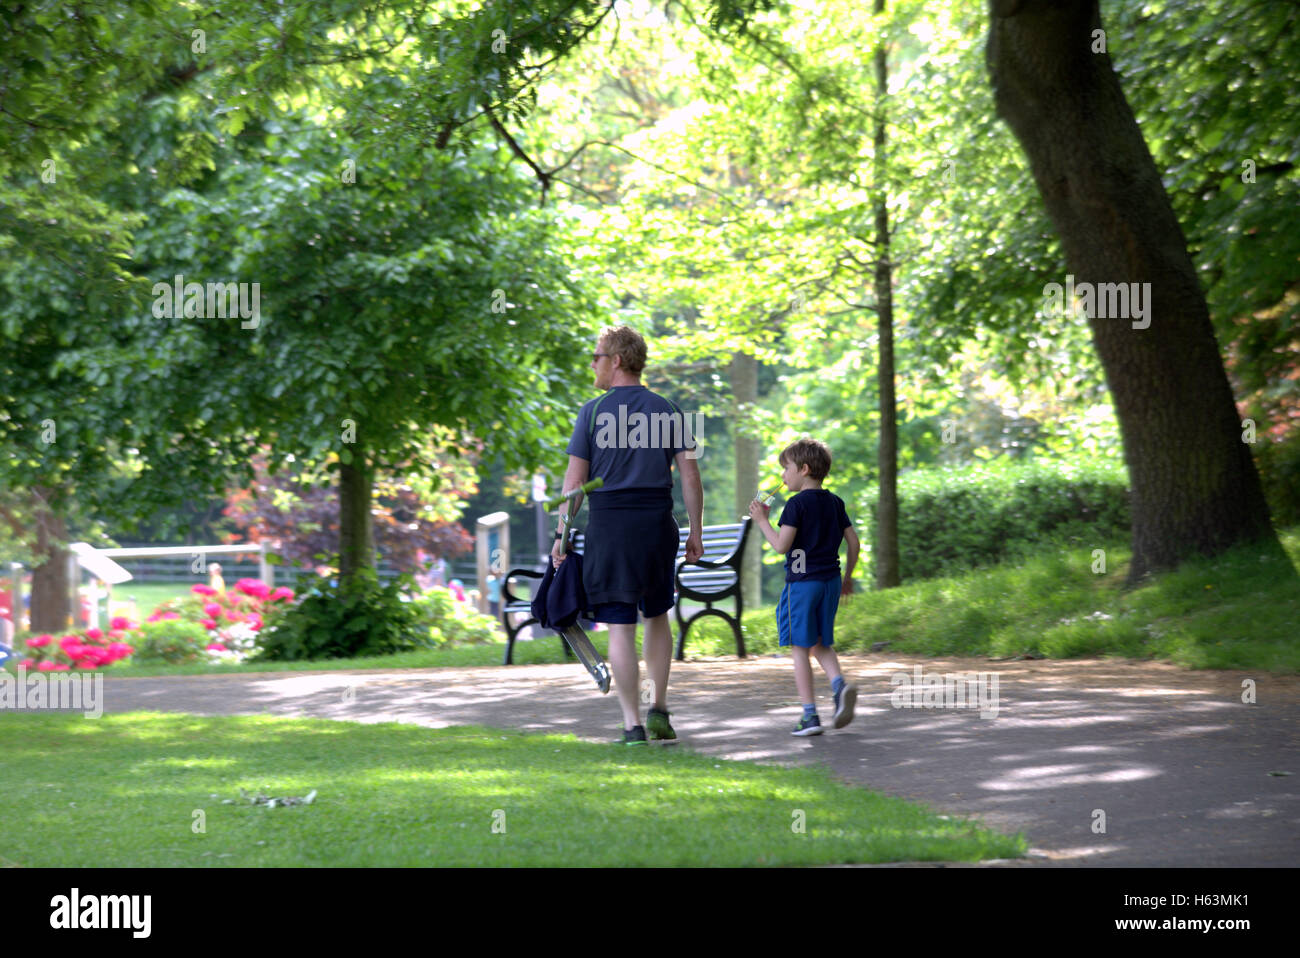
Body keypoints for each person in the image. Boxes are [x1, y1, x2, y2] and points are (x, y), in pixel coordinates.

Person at [554, 325, 704, 745]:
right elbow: (690, 475)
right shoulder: (668, 409)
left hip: (611, 526)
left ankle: (631, 725)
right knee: (657, 614)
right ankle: (659, 710)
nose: (593, 365)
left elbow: (574, 483)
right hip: (656, 522)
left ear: (616, 360)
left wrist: (561, 536)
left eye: (597, 356)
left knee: (620, 624)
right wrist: (696, 530)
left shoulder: (592, 413)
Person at [749, 437, 860, 736]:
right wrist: (847, 577)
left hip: (801, 585)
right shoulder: (835, 502)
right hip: (830, 583)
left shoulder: (796, 504)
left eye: (786, 469)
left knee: (799, 647)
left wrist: (762, 521)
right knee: (821, 642)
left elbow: (781, 546)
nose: (783, 476)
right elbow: (853, 542)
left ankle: (810, 716)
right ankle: (839, 686)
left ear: (805, 469)